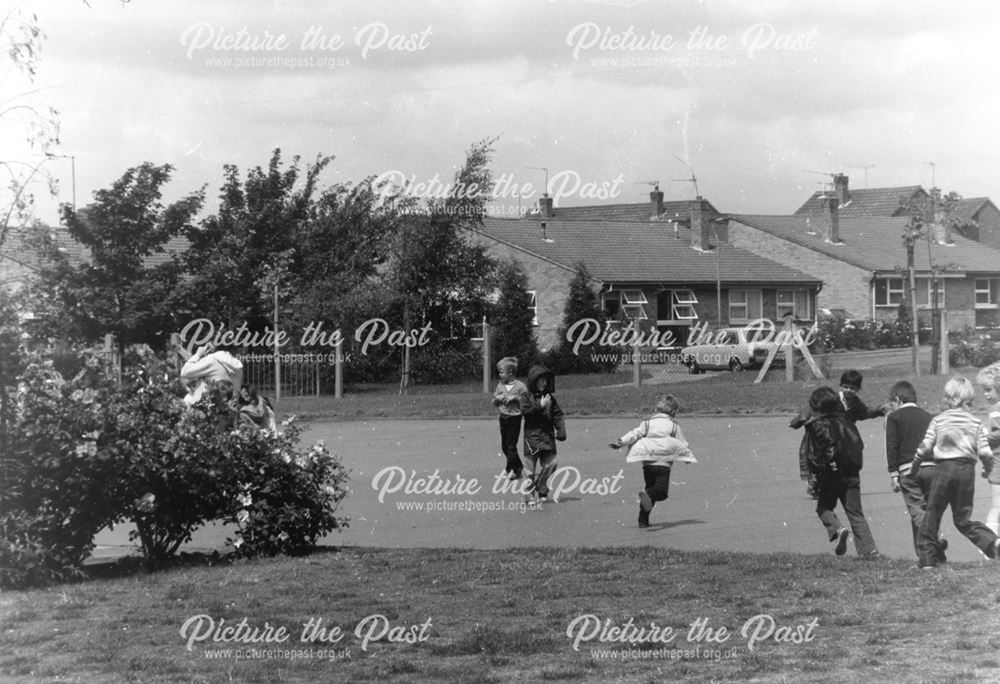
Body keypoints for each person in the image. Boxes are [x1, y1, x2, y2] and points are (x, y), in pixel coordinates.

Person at [908, 375, 1000, 568]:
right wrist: (987, 469)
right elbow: (985, 452)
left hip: (943, 469)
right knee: (962, 519)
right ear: (969, 400)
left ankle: (927, 560)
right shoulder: (975, 422)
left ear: (948, 398)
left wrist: (915, 466)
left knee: (932, 514)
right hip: (966, 471)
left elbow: (925, 447)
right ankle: (993, 542)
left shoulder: (939, 420)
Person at [804, 386, 879, 558]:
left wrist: (815, 475)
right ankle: (869, 550)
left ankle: (837, 529)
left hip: (831, 474)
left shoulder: (817, 426)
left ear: (815, 408)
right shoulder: (847, 422)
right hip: (852, 473)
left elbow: (814, 455)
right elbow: (858, 444)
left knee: (823, 507)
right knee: (855, 512)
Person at [791, 369, 887, 500]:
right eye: (846, 387)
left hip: (843, 438)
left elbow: (864, 413)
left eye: (852, 388)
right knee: (820, 459)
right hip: (824, 435)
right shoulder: (832, 398)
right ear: (840, 386)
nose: (848, 390)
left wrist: (878, 411)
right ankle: (814, 481)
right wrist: (799, 420)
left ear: (858, 389)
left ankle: (833, 483)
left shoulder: (856, 403)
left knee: (843, 459)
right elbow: (812, 406)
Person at [610, 395, 696, 528]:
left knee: (650, 492)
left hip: (648, 464)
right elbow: (682, 443)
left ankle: (643, 520)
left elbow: (634, 433)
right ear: (673, 411)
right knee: (660, 493)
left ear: (657, 408)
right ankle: (647, 496)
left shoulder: (647, 423)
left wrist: (620, 442)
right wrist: (688, 457)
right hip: (663, 464)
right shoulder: (674, 426)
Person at [884, 380, 946, 561]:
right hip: (932, 467)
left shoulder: (894, 418)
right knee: (927, 510)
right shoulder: (929, 416)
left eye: (892, 403)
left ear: (897, 400)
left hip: (908, 470)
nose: (892, 407)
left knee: (917, 510)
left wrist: (893, 473)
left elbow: (892, 446)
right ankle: (927, 554)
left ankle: (935, 539)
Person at [521, 364, 566, 506]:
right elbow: (525, 412)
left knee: (552, 464)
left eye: (546, 380)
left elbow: (557, 414)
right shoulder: (526, 397)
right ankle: (529, 497)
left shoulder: (549, 398)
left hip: (547, 437)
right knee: (529, 470)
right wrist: (539, 406)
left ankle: (542, 489)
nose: (544, 383)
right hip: (532, 439)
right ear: (534, 381)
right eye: (541, 380)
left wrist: (561, 430)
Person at [491, 357, 529, 480]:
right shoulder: (500, 386)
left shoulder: (520, 386)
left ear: (510, 373)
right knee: (504, 446)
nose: (499, 375)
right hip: (503, 418)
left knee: (511, 446)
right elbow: (494, 401)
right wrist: (497, 399)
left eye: (501, 372)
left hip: (514, 419)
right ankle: (519, 468)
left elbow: (526, 402)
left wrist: (514, 398)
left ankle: (511, 470)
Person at [977, 362, 1000, 535]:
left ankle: (990, 544)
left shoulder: (995, 409)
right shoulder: (994, 410)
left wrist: (984, 437)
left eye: (988, 390)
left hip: (996, 466)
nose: (985, 394)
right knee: (997, 505)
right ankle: (990, 544)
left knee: (997, 505)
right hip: (997, 465)